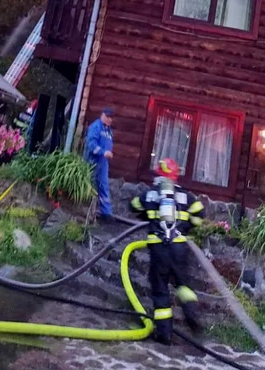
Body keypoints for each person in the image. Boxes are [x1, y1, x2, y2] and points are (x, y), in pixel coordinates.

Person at [131, 158, 204, 345]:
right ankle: (193, 315)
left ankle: (165, 334)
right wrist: (187, 227)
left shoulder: (150, 194)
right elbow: (199, 213)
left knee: (161, 288)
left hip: (158, 248)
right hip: (179, 247)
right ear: (175, 176)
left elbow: (134, 206)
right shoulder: (185, 196)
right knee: (183, 285)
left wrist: (148, 215)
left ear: (159, 173)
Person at [84, 108, 114, 222]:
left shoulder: (109, 131)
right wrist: (103, 152)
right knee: (90, 186)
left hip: (103, 163)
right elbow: (91, 144)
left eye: (111, 117)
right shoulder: (96, 127)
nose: (110, 119)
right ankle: (88, 212)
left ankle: (106, 213)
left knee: (104, 187)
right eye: (108, 116)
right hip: (92, 161)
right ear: (102, 115)